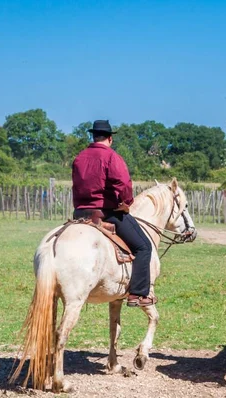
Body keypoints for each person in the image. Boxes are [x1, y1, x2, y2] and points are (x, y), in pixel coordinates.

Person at [72, 120, 155, 307]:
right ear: (110, 138)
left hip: (80, 213)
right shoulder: (111, 156)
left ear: (93, 137)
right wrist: (126, 204)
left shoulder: (79, 158)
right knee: (144, 246)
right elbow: (123, 184)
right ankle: (138, 294)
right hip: (106, 213)